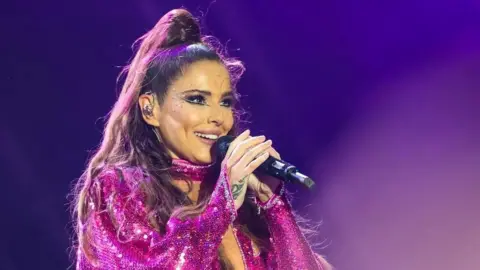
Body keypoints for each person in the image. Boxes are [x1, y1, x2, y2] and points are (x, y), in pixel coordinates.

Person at [72, 8, 331, 270]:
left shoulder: (245, 202)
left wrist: (274, 205)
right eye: (196, 99)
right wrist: (222, 206)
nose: (219, 117)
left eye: (226, 102)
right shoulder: (118, 190)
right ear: (150, 108)